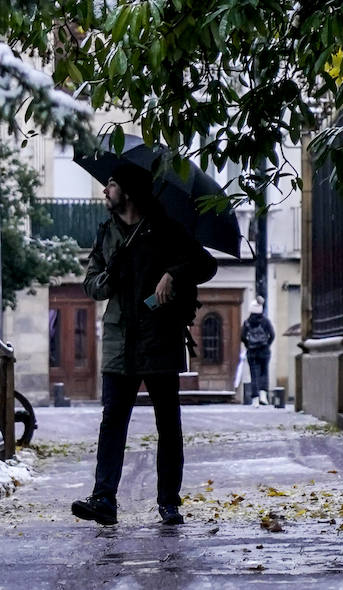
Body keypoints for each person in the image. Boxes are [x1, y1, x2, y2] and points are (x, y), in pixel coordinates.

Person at [70, 158, 217, 527]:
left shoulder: (166, 230)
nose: (105, 191)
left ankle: (169, 502)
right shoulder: (107, 233)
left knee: (168, 424)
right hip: (120, 341)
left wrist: (173, 272)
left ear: (129, 192)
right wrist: (110, 276)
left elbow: (205, 265)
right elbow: (92, 285)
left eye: (111, 185)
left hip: (160, 339)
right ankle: (104, 499)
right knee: (112, 422)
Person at [240, 297, 275, 406]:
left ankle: (255, 399)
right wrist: (267, 344)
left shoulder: (247, 322)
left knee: (254, 374)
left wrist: (248, 345)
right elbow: (272, 335)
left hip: (252, 351)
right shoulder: (265, 321)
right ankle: (263, 394)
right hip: (264, 351)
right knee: (264, 372)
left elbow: (242, 336)